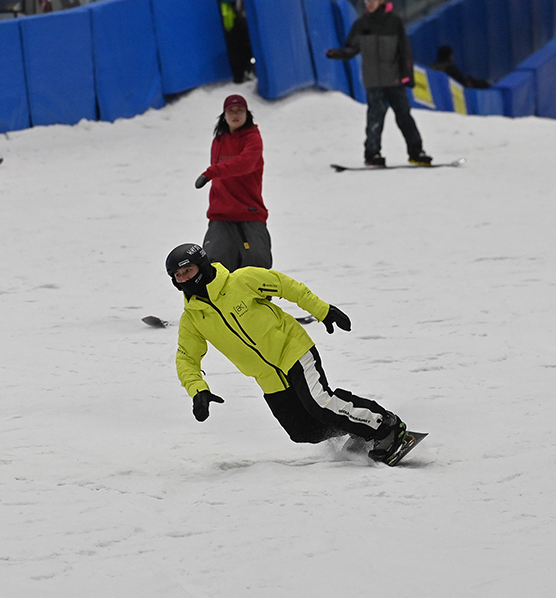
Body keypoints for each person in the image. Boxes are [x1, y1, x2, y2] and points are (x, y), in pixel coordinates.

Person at [165, 242, 413, 465]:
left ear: (203, 265)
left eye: (188, 271)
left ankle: (386, 426)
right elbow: (186, 357)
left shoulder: (241, 280)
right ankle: (359, 428)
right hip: (268, 377)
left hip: (292, 350)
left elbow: (286, 286)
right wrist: (198, 390)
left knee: (320, 402)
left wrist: (323, 310)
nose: (184, 279)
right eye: (178, 276)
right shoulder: (193, 318)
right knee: (304, 431)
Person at [325, 0, 431, 167]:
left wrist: (407, 75)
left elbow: (404, 49)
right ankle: (372, 154)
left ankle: (416, 152)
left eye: (373, 0)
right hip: (374, 81)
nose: (369, 3)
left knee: (404, 117)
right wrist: (337, 53)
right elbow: (351, 49)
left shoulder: (394, 22)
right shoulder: (361, 24)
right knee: (374, 119)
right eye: (367, 0)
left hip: (394, 80)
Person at [193, 94, 271, 272]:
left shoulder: (253, 138)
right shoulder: (218, 140)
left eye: (240, 111)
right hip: (221, 214)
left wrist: (211, 172)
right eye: (231, 111)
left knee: (257, 264)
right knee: (215, 266)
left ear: (247, 113)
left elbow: (246, 163)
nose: (235, 115)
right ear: (224, 114)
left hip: (250, 212)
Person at [219, 0, 254, 84]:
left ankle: (243, 73)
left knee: (240, 44)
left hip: (233, 15)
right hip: (232, 16)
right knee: (238, 44)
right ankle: (242, 74)